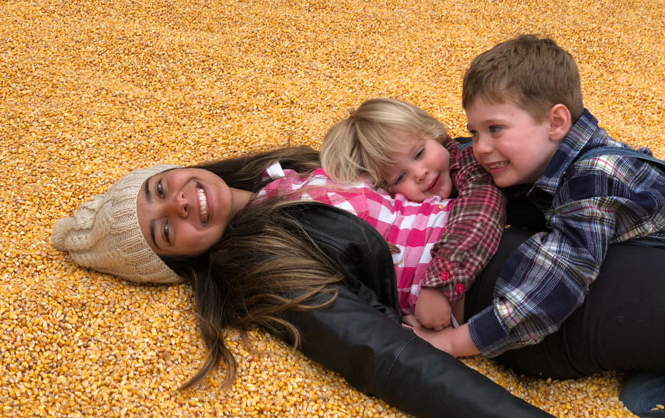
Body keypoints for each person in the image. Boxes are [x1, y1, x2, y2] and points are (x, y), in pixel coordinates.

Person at [51, 146, 550, 418]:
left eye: (159, 188)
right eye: (164, 229)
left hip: (527, 232)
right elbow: (382, 355)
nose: (176, 202)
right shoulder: (262, 269)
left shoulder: (282, 176)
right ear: (178, 263)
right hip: (508, 293)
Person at [411, 34, 665, 415]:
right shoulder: (546, 156)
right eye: (476, 131)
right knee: (640, 399)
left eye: (495, 129)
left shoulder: (596, 175)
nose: (480, 146)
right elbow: (461, 153)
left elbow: (554, 282)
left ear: (556, 121)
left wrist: (452, 343)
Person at [319, 97, 505, 331]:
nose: (419, 173)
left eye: (418, 154)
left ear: (433, 133)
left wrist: (441, 285)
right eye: (399, 178)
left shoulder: (468, 161)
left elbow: (482, 209)